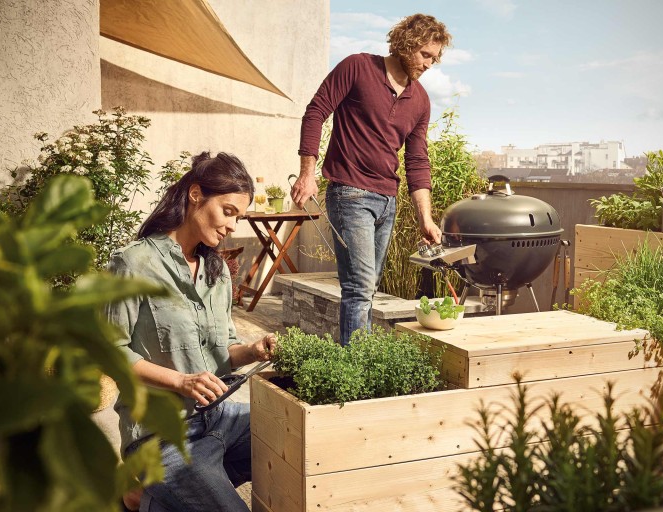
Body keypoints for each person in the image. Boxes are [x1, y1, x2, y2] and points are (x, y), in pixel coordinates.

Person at [105, 151, 277, 512]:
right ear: (196, 194)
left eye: (239, 217)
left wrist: (253, 350)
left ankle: (150, 498)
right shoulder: (134, 263)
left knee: (292, 434)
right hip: (160, 437)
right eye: (229, 211)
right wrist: (181, 382)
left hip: (219, 417)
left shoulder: (217, 272)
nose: (233, 226)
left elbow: (224, 348)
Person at [290, 14, 452, 345]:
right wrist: (308, 173)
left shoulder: (420, 100)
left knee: (367, 288)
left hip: (387, 201)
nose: (429, 64)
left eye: (434, 58)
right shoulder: (358, 67)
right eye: (425, 55)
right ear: (407, 44)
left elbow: (417, 160)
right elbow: (316, 111)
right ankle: (357, 364)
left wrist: (425, 218)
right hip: (349, 192)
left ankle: (354, 362)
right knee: (360, 286)